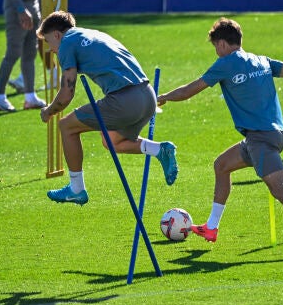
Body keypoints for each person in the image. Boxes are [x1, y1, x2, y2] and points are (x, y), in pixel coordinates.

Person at [157, 17, 283, 259]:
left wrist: (163, 97)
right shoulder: (261, 61)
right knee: (222, 165)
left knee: (279, 188)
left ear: (224, 44)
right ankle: (211, 228)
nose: (216, 51)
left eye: (216, 45)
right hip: (269, 135)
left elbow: (189, 90)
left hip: (261, 140)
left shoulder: (224, 64)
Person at [37, 11, 178, 205]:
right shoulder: (93, 34)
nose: (51, 50)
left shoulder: (66, 44)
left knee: (66, 126)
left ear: (57, 35)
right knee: (112, 141)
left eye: (48, 42)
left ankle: (76, 189)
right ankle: (160, 150)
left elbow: (66, 93)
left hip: (125, 99)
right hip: (147, 96)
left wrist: (48, 111)